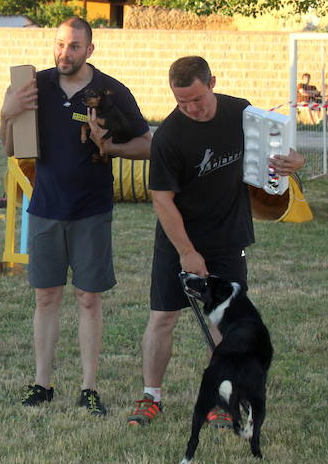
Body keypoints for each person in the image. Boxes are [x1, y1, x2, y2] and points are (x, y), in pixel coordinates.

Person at [127, 56, 303, 427]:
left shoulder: (242, 113)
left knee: (229, 325)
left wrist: (291, 162)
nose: (191, 108)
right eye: (181, 102)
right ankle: (151, 396)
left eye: (197, 99)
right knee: (163, 318)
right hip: (178, 241)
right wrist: (187, 251)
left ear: (212, 84)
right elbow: (162, 199)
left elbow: (275, 155)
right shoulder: (170, 136)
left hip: (227, 237)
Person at [0, 17, 152, 415]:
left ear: (89, 50)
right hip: (46, 208)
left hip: (91, 210)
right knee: (46, 297)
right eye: (59, 45)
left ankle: (88, 388)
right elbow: (12, 149)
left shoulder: (111, 91)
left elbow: (147, 145)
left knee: (88, 299)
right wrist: (6, 112)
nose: (64, 53)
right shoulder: (34, 86)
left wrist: (111, 147)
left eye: (73, 46)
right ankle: (42, 383)